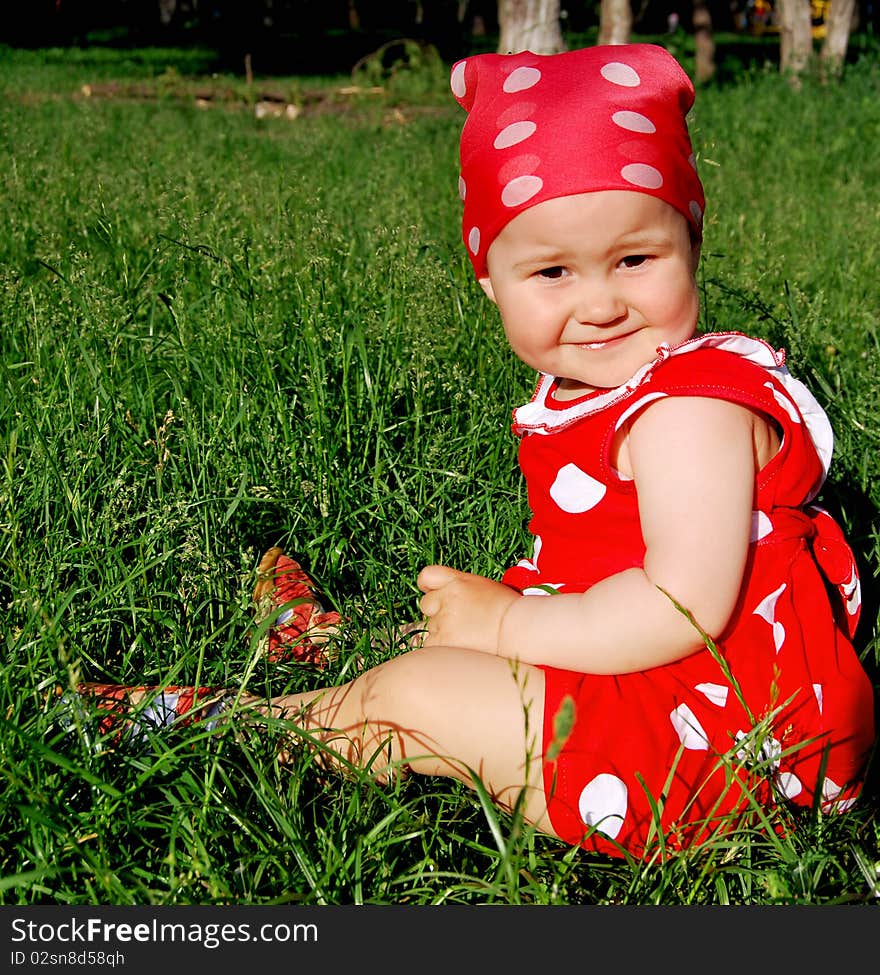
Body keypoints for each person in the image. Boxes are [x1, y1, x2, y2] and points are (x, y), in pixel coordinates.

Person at [63, 43, 875, 860]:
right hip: (646, 674)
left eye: (635, 259)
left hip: (722, 743)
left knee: (423, 694)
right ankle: (339, 667)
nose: (598, 302)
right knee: (441, 645)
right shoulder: (619, 387)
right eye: (553, 272)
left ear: (691, 240)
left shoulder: (686, 412)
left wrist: (511, 621)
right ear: (491, 280)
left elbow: (682, 606)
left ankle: (232, 725)